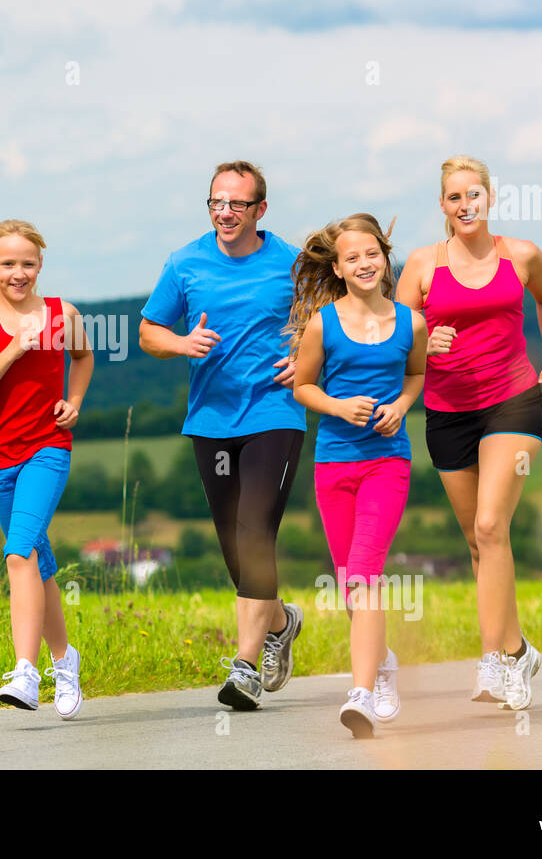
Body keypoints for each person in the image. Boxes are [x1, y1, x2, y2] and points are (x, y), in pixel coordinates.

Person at [395, 156, 542, 711]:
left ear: (490, 198)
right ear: (442, 206)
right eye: (454, 197)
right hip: (448, 414)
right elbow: (396, 341)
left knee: (492, 526)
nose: (465, 205)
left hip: (513, 400)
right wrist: (424, 344)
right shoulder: (422, 265)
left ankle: (498, 661)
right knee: (477, 542)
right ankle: (516, 650)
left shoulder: (522, 255)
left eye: (474, 194)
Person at [139, 160, 307, 711]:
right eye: (216, 202)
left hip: (275, 414)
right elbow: (147, 332)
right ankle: (281, 621)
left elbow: (332, 321)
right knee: (234, 541)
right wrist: (181, 343)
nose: (225, 213)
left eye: (237, 204)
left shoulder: (291, 262)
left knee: (254, 528)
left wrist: (305, 360)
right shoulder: (184, 262)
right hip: (211, 421)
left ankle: (246, 666)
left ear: (261, 209)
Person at [288, 214, 427, 737]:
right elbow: (302, 387)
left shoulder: (411, 321)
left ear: (384, 258)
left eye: (372, 254)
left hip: (387, 463)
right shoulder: (323, 323)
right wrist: (339, 407)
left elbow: (415, 373)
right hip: (334, 464)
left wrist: (403, 405)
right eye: (353, 258)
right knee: (350, 582)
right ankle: (383, 663)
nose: (365, 264)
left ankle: (362, 692)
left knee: (365, 573)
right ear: (340, 268)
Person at [0, 220, 94, 719]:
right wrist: (13, 349)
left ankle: (26, 672)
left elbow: (83, 356)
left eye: (28, 264)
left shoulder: (62, 313)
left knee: (16, 554)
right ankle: (65, 660)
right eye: (7, 263)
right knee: (37, 561)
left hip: (48, 448)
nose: (18, 273)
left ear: (40, 266)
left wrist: (73, 401)